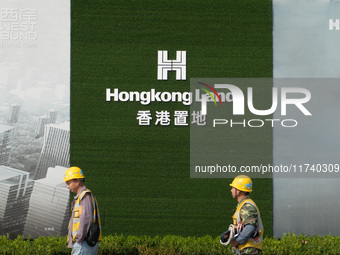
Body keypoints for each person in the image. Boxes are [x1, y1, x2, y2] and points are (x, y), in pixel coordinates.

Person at [64, 166, 102, 255]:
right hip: (84, 243)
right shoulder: (80, 197)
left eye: (69, 183)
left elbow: (86, 219)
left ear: (77, 181)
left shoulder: (84, 196)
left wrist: (79, 239)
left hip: (84, 243)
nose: (67, 186)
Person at [224, 175, 264, 255]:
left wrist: (237, 241)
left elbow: (250, 227)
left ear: (238, 191)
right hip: (246, 249)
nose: (231, 190)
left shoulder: (247, 206)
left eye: (233, 188)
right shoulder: (242, 205)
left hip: (249, 250)